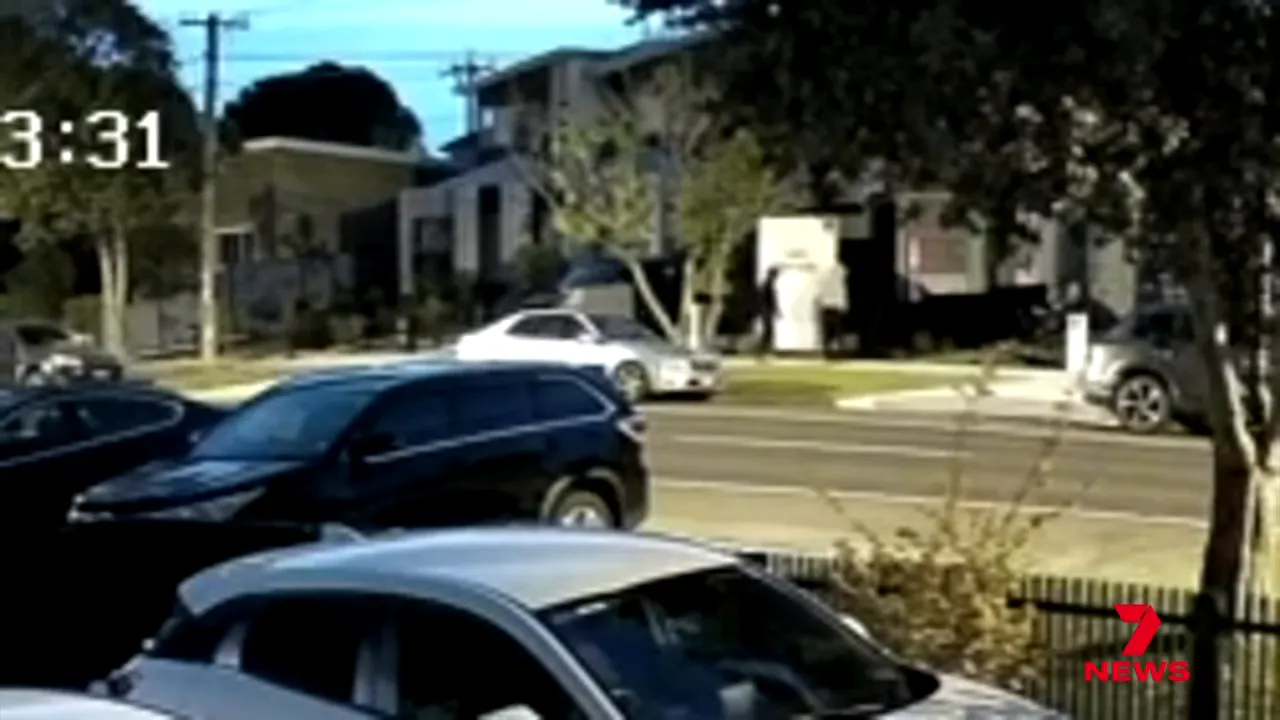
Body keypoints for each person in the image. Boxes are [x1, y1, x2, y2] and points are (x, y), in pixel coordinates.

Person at [818, 261, 849, 357]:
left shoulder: (825, 277)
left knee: (828, 331)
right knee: (835, 331)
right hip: (833, 306)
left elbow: (821, 292)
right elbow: (842, 294)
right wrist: (844, 306)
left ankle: (829, 349)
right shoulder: (839, 280)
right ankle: (834, 349)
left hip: (828, 306)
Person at [755, 266, 780, 358]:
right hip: (766, 311)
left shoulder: (767, 284)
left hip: (766, 310)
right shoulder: (767, 284)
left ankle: (764, 350)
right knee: (768, 331)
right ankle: (764, 350)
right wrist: (774, 309)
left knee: (768, 331)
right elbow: (769, 299)